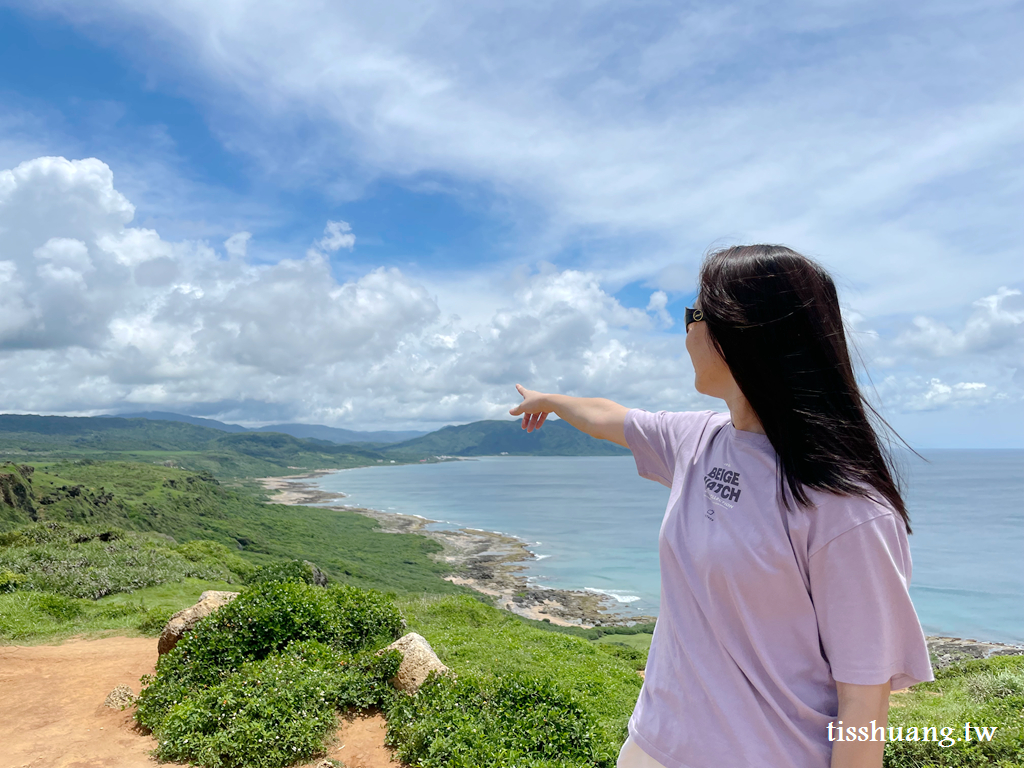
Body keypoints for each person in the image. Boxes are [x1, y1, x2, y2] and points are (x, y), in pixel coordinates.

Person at [509, 245, 933, 768]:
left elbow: (864, 703)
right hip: (652, 745)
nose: (685, 333)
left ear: (738, 334)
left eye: (694, 316)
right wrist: (549, 401)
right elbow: (608, 416)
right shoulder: (698, 439)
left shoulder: (846, 508)